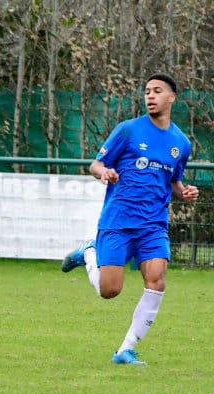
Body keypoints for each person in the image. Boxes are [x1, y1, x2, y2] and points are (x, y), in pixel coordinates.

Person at [60, 73, 199, 366]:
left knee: (156, 280)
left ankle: (125, 350)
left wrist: (184, 192)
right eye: (147, 91)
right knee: (109, 290)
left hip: (153, 225)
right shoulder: (128, 130)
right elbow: (95, 164)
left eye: (157, 91)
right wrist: (105, 172)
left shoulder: (181, 143)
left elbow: (174, 182)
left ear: (171, 98)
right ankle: (89, 253)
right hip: (118, 221)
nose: (150, 96)